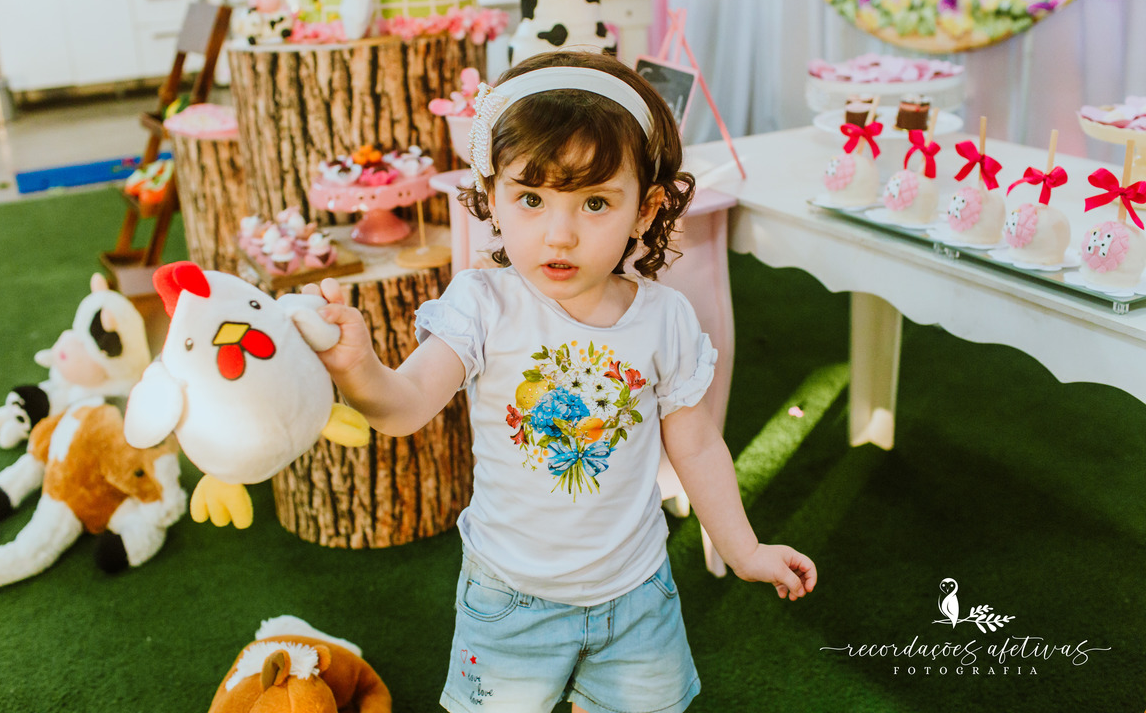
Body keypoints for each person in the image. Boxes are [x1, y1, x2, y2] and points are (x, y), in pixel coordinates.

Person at [304, 50, 816, 713]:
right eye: (532, 198)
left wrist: (742, 548)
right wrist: (359, 369)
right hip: (509, 601)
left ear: (645, 209)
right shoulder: (483, 305)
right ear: (493, 198)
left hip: (636, 597)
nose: (560, 233)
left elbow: (696, 445)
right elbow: (402, 408)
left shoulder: (666, 319)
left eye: (596, 202)